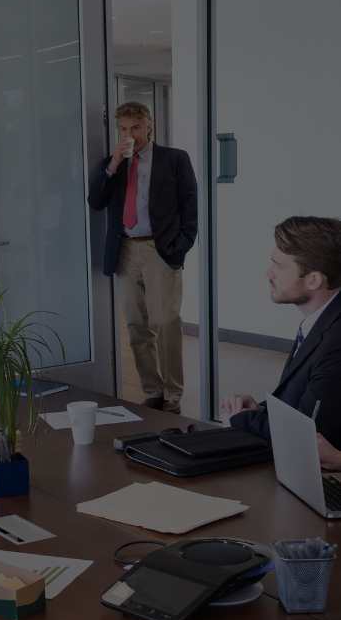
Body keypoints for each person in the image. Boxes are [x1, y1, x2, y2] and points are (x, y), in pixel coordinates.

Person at [87, 101, 197, 415]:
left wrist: (181, 244)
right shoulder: (113, 164)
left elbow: (190, 205)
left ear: (149, 125)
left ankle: (173, 394)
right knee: (136, 325)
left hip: (159, 249)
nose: (129, 134)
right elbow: (96, 201)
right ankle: (152, 390)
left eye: (135, 127)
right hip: (125, 249)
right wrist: (113, 165)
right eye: (123, 128)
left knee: (165, 321)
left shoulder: (174, 159)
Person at [222, 216, 341, 451]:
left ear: (313, 280)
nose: (269, 274)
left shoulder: (336, 341)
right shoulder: (322, 321)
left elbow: (307, 434)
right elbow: (301, 403)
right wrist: (261, 411)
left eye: (279, 266)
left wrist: (240, 419)